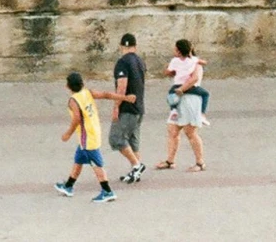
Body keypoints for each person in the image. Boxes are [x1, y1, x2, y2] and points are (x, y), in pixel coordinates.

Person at [52, 70, 117, 202]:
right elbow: (105, 94)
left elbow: (76, 118)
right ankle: (68, 186)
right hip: (93, 131)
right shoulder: (87, 93)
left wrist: (68, 133)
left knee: (97, 164)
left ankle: (107, 191)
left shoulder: (73, 100)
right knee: (79, 159)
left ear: (68, 86)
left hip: (87, 136)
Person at [92, 32, 148, 183]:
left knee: (116, 139)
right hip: (139, 107)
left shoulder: (122, 62)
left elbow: (122, 86)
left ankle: (137, 166)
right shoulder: (140, 61)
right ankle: (135, 172)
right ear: (135, 46)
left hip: (127, 108)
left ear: (121, 46)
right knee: (133, 140)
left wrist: (116, 106)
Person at [158, 37, 207, 171]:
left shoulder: (196, 63)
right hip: (178, 99)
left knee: (190, 132)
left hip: (190, 98)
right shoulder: (179, 62)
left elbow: (194, 79)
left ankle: (200, 162)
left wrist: (181, 89)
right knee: (173, 130)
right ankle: (170, 160)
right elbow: (169, 72)